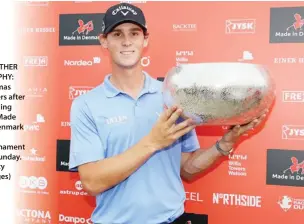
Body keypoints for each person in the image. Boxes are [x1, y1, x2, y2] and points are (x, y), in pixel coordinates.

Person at [69, 2, 268, 224]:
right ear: (104, 41)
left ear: (145, 39)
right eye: (117, 34)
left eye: (134, 33)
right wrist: (153, 142)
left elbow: (187, 168)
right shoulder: (86, 105)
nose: (126, 41)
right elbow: (92, 182)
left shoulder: (173, 96)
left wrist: (225, 143)